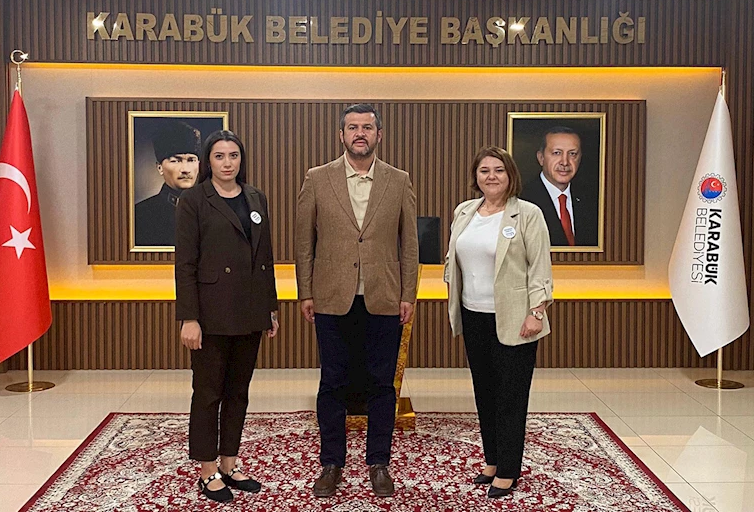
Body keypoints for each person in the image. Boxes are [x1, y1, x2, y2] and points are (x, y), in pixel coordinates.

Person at [295, 104, 418, 498]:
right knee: (332, 382)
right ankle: (331, 463)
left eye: (367, 127)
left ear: (379, 134)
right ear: (341, 135)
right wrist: (305, 291)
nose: (360, 133)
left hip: (384, 297)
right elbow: (304, 242)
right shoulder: (317, 178)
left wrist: (408, 293)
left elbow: (409, 243)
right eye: (352, 127)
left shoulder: (399, 180)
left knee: (382, 385)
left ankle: (379, 463)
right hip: (332, 297)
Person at [175, 130, 279, 503]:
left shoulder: (255, 197)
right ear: (208, 161)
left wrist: (270, 306)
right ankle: (207, 471)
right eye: (219, 156)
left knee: (238, 392)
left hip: (250, 310)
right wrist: (189, 317)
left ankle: (229, 464)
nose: (227, 162)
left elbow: (264, 257)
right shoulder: (193, 200)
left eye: (233, 155)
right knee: (208, 393)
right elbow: (185, 264)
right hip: (210, 314)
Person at [444, 146, 553, 499]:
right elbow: (454, 259)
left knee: (511, 396)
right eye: (484, 170)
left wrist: (537, 312)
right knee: (485, 393)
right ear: (475, 176)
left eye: (499, 170)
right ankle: (492, 460)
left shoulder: (528, 214)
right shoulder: (464, 211)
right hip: (473, 315)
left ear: (510, 175)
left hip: (515, 319)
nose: (491, 176)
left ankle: (508, 470)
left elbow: (540, 266)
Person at [519, 126, 598, 246]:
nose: (565, 162)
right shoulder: (522, 198)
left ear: (580, 159)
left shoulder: (592, 200)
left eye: (572, 154)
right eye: (557, 153)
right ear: (541, 158)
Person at [135, 120, 201, 246]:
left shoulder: (215, 212)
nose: (185, 169)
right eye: (175, 161)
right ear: (159, 168)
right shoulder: (140, 215)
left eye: (191, 160)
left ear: (199, 164)